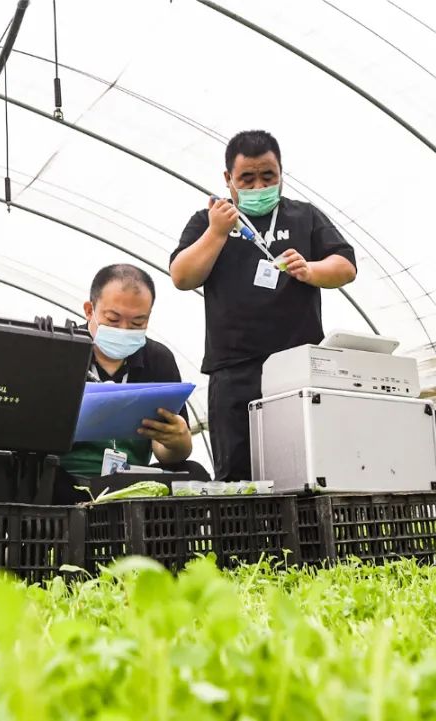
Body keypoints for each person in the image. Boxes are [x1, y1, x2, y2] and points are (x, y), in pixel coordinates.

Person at [170, 130, 357, 482]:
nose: (259, 186)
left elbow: (346, 267)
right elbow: (182, 276)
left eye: (268, 176)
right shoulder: (207, 221)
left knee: (304, 472)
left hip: (297, 368)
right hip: (233, 371)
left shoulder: (304, 216)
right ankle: (246, 539)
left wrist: (311, 269)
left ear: (282, 173)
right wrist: (216, 233)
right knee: (239, 478)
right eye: (247, 178)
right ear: (228, 180)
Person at [57, 264, 209, 488]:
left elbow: (166, 452)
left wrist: (178, 442)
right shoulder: (61, 350)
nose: (124, 329)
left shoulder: (158, 359)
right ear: (90, 310)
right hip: (65, 478)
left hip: (131, 481)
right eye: (113, 319)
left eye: (138, 322)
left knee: (194, 473)